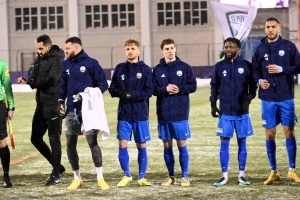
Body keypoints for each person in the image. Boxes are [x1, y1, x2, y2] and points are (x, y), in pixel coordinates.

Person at [252, 17, 300, 185]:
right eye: (268, 27)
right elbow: (255, 71)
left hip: (286, 95)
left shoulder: (289, 46)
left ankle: (292, 170)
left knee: (289, 131)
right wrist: (259, 81)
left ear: (279, 29)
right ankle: (274, 172)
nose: (270, 29)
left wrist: (282, 69)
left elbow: (298, 66)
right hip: (268, 98)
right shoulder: (259, 49)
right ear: (265, 30)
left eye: (273, 27)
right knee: (269, 133)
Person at [58, 36, 110, 191]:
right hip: (71, 111)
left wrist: (88, 95)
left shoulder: (91, 63)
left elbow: (102, 85)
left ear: (77, 48)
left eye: (67, 49)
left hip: (88, 111)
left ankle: (100, 178)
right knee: (70, 144)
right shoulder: (65, 64)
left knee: (92, 142)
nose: (65, 51)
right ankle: (76, 178)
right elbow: (63, 85)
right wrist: (60, 101)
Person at [17, 34, 65, 186]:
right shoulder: (39, 58)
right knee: (35, 138)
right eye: (37, 48)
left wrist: (33, 82)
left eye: (41, 48)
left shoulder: (58, 59)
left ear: (48, 46)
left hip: (54, 104)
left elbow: (52, 79)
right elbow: (34, 77)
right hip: (41, 103)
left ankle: (56, 175)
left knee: (54, 140)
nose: (38, 51)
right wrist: (29, 81)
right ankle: (57, 166)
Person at [210, 37, 257, 187]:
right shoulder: (219, 66)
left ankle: (241, 175)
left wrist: (247, 100)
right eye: (226, 47)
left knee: (242, 143)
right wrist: (213, 103)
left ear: (238, 49)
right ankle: (224, 176)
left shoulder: (247, 66)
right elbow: (214, 86)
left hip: (242, 113)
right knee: (224, 143)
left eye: (231, 47)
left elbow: (253, 88)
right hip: (225, 112)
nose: (228, 50)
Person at [108, 39, 153, 187]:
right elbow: (112, 88)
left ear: (139, 51)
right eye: (127, 49)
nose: (130, 51)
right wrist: (121, 94)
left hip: (140, 113)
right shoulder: (120, 68)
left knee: (141, 144)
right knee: (122, 143)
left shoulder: (146, 69)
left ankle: (141, 177)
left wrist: (132, 95)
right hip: (124, 114)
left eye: (133, 48)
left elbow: (149, 91)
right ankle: (126, 175)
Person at [152, 38, 197, 187]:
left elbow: (193, 86)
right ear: (162, 51)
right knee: (167, 145)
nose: (170, 51)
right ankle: (171, 176)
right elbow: (152, 90)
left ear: (175, 49)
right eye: (166, 49)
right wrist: (164, 89)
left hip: (180, 113)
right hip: (164, 113)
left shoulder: (185, 67)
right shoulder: (157, 70)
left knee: (182, 144)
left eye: (172, 48)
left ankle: (184, 176)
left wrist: (180, 89)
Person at [0, 60, 15, 188]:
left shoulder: (2, 64)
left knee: (1, 142)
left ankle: (6, 175)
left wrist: (11, 106)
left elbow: (7, 86)